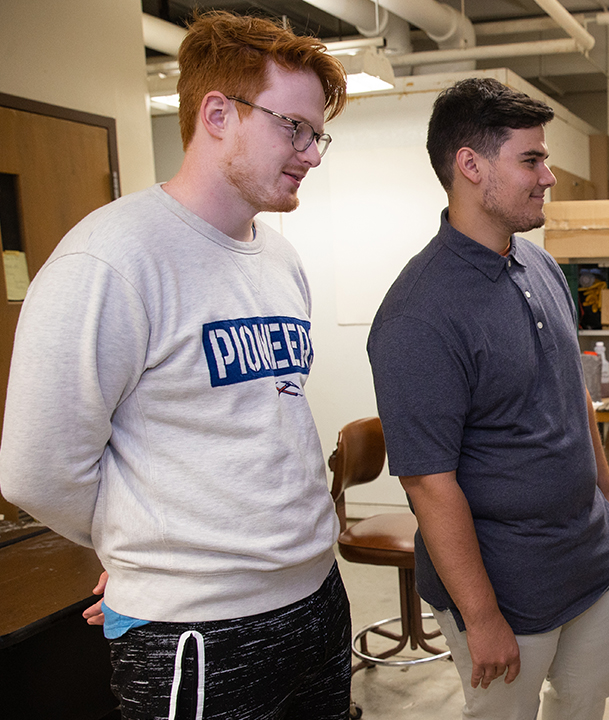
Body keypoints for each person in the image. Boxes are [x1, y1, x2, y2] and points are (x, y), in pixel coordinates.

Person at [0, 12, 351, 719]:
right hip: (199, 632)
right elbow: (36, 471)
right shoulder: (110, 260)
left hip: (317, 600)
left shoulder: (278, 258)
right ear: (217, 113)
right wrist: (147, 551)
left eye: (319, 135)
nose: (312, 153)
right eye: (295, 129)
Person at [366, 77, 609, 720]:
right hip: (507, 587)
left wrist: (608, 496)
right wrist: (480, 617)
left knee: (587, 699)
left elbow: (576, 399)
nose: (549, 178)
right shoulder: (418, 315)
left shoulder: (539, 265)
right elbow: (429, 484)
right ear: (471, 165)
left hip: (589, 559)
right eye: (531, 160)